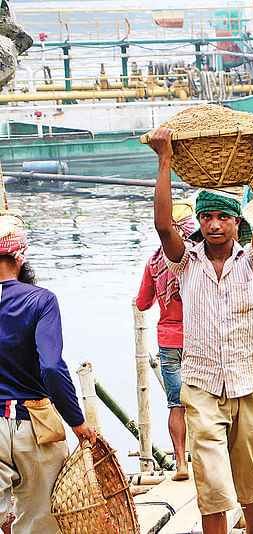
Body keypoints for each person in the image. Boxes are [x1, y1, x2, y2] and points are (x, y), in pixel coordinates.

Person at [149, 118, 253, 534]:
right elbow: (164, 225)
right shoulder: (185, 262)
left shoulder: (252, 262)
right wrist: (165, 159)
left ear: (236, 223)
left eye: (224, 217)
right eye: (207, 218)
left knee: (250, 481)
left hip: (248, 382)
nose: (215, 225)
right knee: (212, 487)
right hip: (202, 386)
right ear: (200, 223)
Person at [0, 212, 96, 533]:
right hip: (35, 425)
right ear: (20, 256)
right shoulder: (40, 300)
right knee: (40, 521)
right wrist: (77, 421)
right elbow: (52, 367)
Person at [135, 200, 197, 482]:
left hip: (169, 338)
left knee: (176, 404)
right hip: (199, 337)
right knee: (207, 400)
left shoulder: (154, 262)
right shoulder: (196, 259)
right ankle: (209, 458)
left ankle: (181, 463)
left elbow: (142, 302)